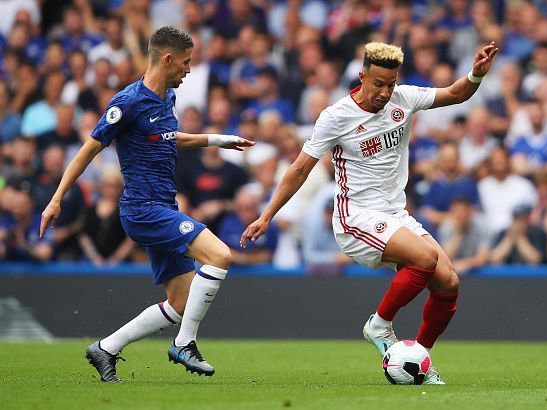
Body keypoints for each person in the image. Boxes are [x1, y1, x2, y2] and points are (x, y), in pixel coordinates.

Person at [241, 40, 498, 384]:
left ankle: (415, 360)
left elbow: (455, 94)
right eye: (378, 84)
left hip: (395, 215)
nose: (384, 92)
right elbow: (300, 169)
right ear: (362, 76)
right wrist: (266, 215)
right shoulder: (336, 117)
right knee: (424, 258)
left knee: (449, 282)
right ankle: (379, 324)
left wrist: (475, 74)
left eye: (390, 84)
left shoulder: (403, 99)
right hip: (355, 218)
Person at [39, 26, 254, 383]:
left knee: (182, 301)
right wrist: (56, 199)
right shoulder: (127, 102)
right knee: (220, 256)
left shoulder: (166, 97)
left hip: (163, 208)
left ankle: (106, 348)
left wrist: (217, 140)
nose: (188, 70)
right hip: (142, 209)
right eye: (185, 63)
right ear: (167, 59)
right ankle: (184, 343)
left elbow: (168, 138)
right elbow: (88, 150)